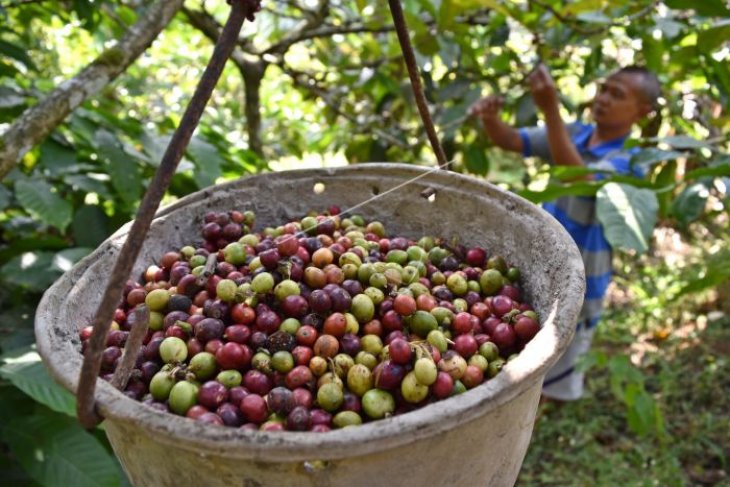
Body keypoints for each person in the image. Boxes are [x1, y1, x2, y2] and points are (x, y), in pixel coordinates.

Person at [469, 64, 660, 401]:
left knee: (556, 362)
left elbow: (582, 181)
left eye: (618, 94)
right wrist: (490, 118)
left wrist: (551, 111)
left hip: (583, 281)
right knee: (525, 345)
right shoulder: (575, 133)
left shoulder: (632, 162)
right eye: (604, 88)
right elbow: (511, 139)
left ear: (642, 112)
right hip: (543, 265)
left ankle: (539, 411)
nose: (603, 99)